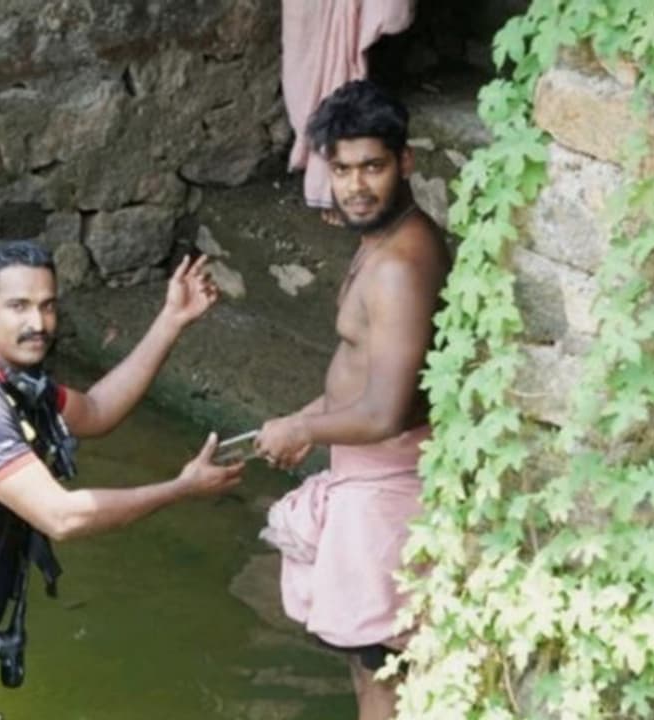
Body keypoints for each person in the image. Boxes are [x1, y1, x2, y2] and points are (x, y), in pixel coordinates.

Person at [0, 240, 244, 720]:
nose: (38, 323)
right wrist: (180, 488)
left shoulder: (14, 382)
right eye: (19, 306)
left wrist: (171, 319)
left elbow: (100, 410)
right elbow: (61, 516)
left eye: (47, 306)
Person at [253, 79, 451, 720]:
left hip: (390, 483)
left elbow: (386, 410)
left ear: (406, 163)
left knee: (382, 671)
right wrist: (304, 419)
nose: (356, 185)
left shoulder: (398, 265)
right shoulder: (382, 242)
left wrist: (305, 431)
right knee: (369, 658)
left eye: (373, 166)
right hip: (367, 473)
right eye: (342, 169)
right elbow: (361, 376)